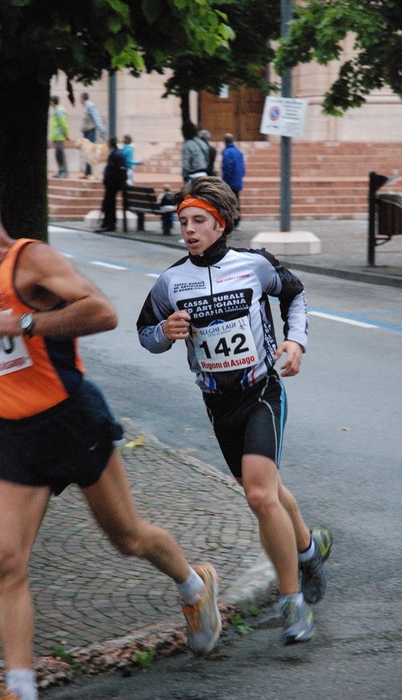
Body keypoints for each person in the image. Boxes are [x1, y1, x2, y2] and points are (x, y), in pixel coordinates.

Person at [0, 178, 222, 700]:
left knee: (128, 538)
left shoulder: (31, 260)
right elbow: (4, 349)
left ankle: (193, 583)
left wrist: (23, 320)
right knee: (3, 560)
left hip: (71, 420)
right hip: (16, 434)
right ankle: (19, 686)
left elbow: (102, 312)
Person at [137, 176, 333, 647]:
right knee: (267, 490)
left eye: (198, 221)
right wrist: (165, 331)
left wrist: (296, 341)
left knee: (260, 495)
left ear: (220, 223)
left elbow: (295, 294)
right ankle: (309, 549)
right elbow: (145, 334)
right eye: (183, 221)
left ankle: (292, 602)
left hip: (261, 391)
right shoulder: (171, 281)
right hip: (218, 404)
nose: (188, 229)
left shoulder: (254, 265)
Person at [96, 136, 127, 233]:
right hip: (115, 183)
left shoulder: (114, 154)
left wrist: (106, 179)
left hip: (112, 183)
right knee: (109, 203)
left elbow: (111, 169)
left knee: (109, 203)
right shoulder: (118, 153)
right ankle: (107, 223)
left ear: (110, 144)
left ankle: (109, 223)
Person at [79, 92, 106, 178]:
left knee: (90, 152)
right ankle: (87, 172)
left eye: (80, 98)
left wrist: (101, 130)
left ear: (83, 98)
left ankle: (90, 172)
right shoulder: (85, 106)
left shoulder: (90, 105)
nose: (79, 100)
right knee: (86, 152)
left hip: (90, 131)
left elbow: (96, 117)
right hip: (86, 131)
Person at [221, 133, 245, 227]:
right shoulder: (238, 152)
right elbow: (242, 167)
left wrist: (225, 181)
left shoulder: (227, 152)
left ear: (225, 141)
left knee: (229, 201)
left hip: (230, 181)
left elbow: (227, 168)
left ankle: (231, 220)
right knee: (236, 200)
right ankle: (237, 219)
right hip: (237, 180)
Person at [49, 96, 69, 179]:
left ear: (53, 102)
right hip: (56, 136)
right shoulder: (56, 110)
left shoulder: (59, 110)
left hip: (59, 136)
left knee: (60, 154)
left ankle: (64, 172)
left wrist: (66, 134)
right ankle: (61, 171)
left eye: (50, 101)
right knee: (58, 155)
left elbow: (63, 123)